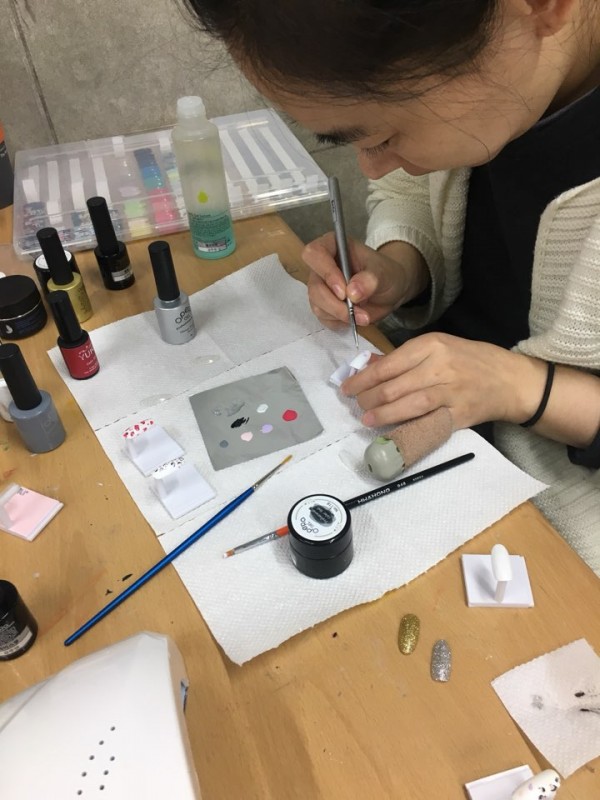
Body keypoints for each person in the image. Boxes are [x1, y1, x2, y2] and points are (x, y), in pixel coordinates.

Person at [184, 0, 600, 573]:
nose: (372, 169)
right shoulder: (509, 74)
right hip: (449, 426)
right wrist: (400, 268)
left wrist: (520, 387)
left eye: (383, 136)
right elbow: (415, 193)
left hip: (557, 524)